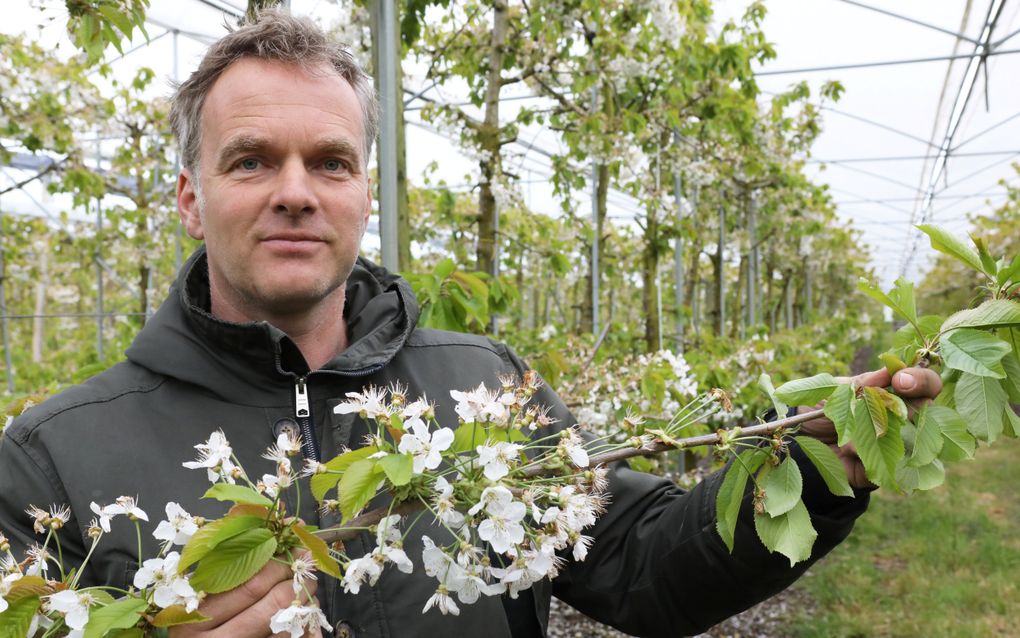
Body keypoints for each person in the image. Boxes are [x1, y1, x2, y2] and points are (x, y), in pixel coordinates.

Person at [0, 10, 941, 638]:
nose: (296, 192)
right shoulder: (54, 458)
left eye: (330, 161)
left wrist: (810, 468)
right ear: (189, 199)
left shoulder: (483, 386)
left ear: (367, 193)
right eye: (250, 161)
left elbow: (633, 559)